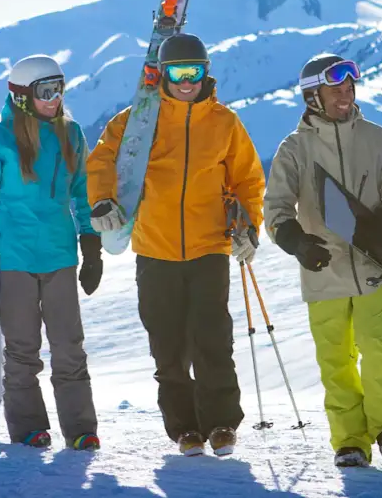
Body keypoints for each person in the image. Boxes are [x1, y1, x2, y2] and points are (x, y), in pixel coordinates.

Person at [87, 33, 265, 457]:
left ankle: (221, 423)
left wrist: (249, 226)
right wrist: (102, 200)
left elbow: (248, 179)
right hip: (155, 248)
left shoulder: (224, 122)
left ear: (206, 73)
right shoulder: (138, 121)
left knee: (212, 339)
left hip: (209, 246)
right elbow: (102, 159)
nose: (187, 81)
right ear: (163, 75)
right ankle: (185, 429)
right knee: (167, 345)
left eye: (195, 72)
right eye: (179, 72)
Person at [262, 53, 382, 469]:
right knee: (335, 360)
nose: (346, 96)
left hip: (371, 267)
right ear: (313, 97)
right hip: (323, 269)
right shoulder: (295, 148)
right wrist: (296, 242)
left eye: (349, 88)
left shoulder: (376, 138)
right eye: (336, 90)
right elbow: (276, 208)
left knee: (378, 349)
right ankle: (349, 441)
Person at [0, 54, 103, 451]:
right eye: (46, 91)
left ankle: (81, 429)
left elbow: (83, 191)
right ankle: (29, 428)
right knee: (22, 350)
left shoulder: (70, 134)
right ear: (23, 96)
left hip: (60, 256)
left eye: (59, 88)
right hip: (13, 260)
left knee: (69, 347)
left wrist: (90, 243)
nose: (55, 98)